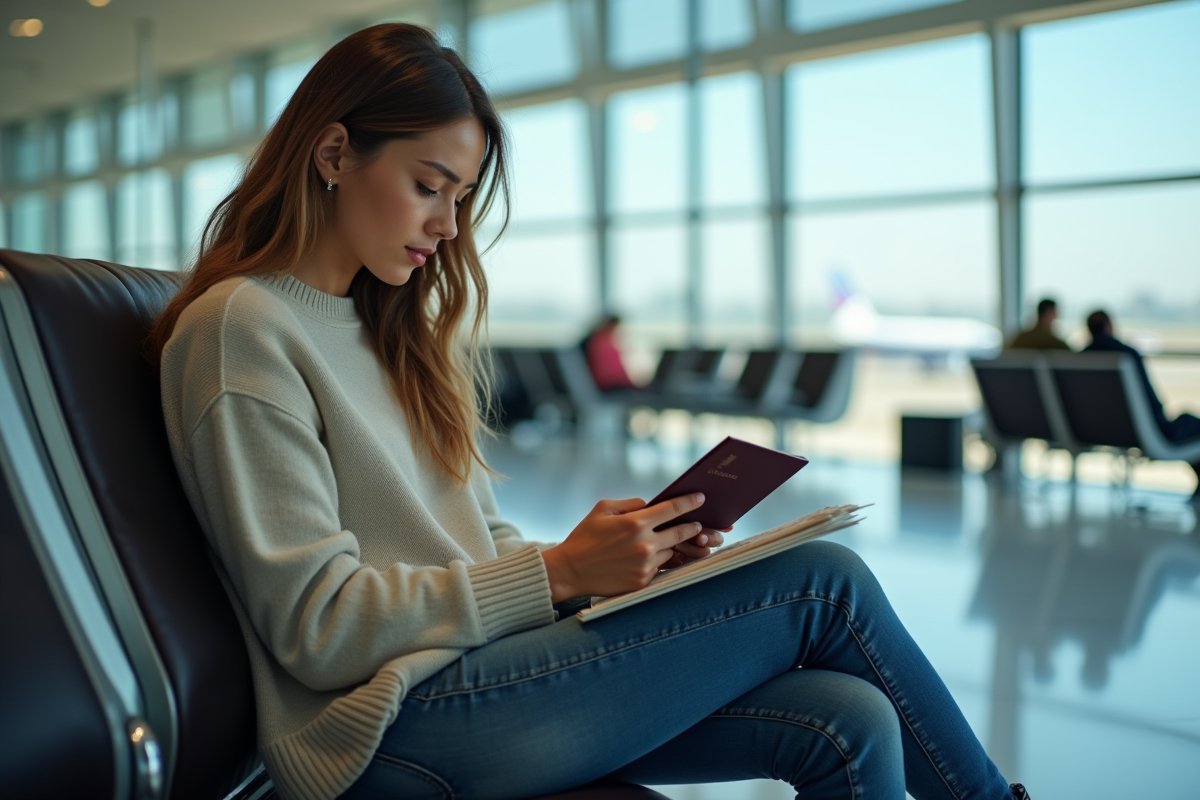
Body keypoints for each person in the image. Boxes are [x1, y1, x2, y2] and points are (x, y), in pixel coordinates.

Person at [154, 24, 1030, 800]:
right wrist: (561, 575)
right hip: (387, 726)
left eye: (461, 199)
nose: (450, 226)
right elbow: (319, 627)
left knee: (852, 719)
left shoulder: (387, 331)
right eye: (430, 186)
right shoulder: (244, 329)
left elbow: (480, 544)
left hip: (472, 678)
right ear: (335, 152)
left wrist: (614, 562)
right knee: (824, 580)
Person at [1084, 310, 1200, 499]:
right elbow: (1151, 402)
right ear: (1109, 327)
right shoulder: (1126, 355)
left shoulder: (1081, 358)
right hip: (1147, 432)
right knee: (1190, 422)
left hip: (1107, 430)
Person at [581, 313, 640, 392]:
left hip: (611, 384)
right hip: (611, 386)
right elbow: (610, 373)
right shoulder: (602, 344)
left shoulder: (597, 342)